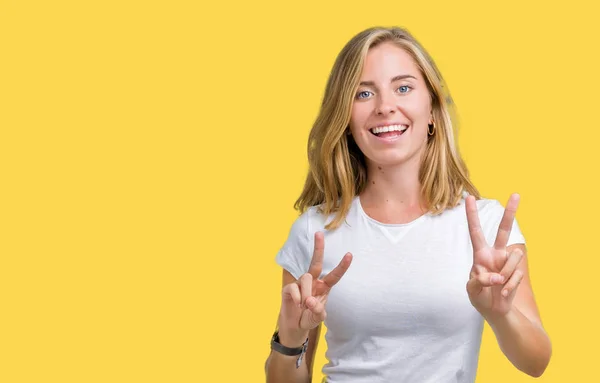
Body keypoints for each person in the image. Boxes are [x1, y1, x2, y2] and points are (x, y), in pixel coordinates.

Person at [264, 26, 551, 383]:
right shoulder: (315, 231)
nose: (385, 107)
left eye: (403, 88)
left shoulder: (486, 226)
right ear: (345, 119)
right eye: (363, 93)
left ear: (431, 108)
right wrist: (290, 340)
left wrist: (499, 313)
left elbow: (536, 362)